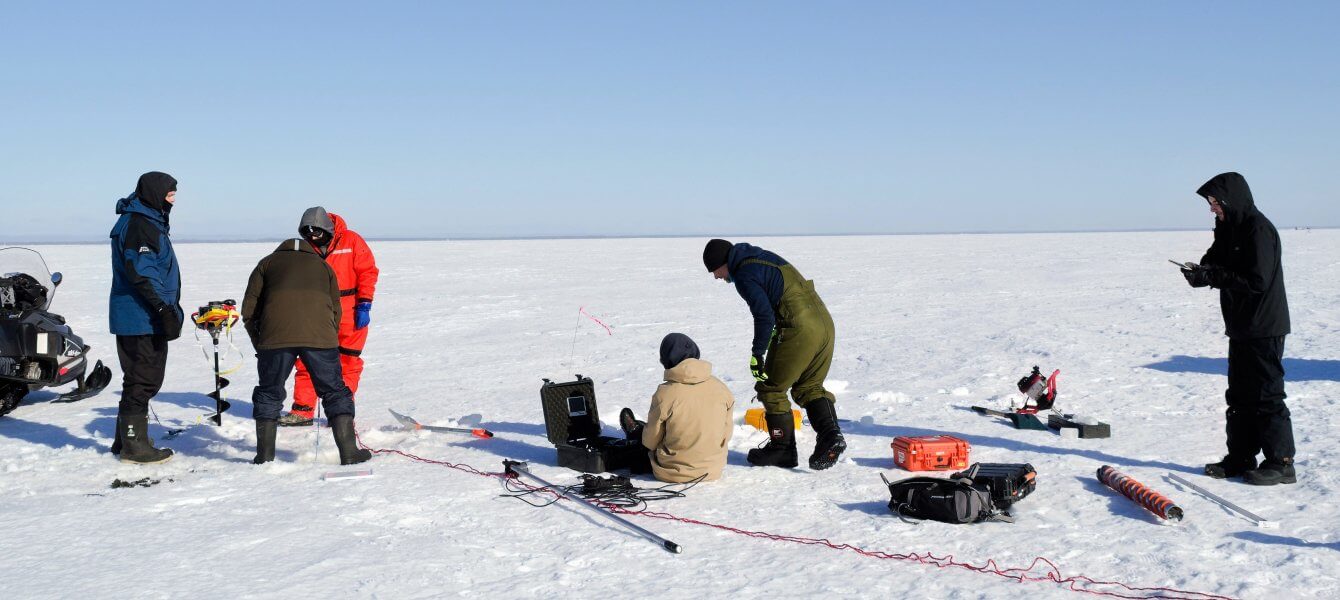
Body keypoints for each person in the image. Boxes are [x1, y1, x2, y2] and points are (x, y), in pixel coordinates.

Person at [1181, 172, 1295, 485]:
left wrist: (1213, 277)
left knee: (1266, 395)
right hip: (1242, 326)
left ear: (1232, 199)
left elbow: (1256, 281)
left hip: (1264, 325)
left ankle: (1281, 462)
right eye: (1210, 203)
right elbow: (1215, 261)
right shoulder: (1229, 229)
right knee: (1240, 396)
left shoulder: (1258, 229)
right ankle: (1241, 457)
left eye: (1215, 202)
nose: (1212, 209)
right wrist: (1200, 273)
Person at [702, 239, 845, 470]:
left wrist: (757, 353)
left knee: (770, 387)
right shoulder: (761, 257)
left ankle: (783, 450)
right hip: (824, 324)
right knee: (810, 386)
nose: (717, 277)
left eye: (715, 271)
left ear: (723, 263)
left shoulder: (745, 274)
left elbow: (764, 316)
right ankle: (831, 437)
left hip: (799, 327)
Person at [242, 238, 372, 465]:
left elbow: (249, 309)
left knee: (268, 392)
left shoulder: (266, 264)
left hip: (275, 337)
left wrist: (260, 343)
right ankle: (349, 453)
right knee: (334, 390)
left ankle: (264, 456)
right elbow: (336, 306)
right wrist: (328, 336)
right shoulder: (323, 266)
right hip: (320, 336)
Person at [279, 207, 379, 427]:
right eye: (307, 234)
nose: (313, 238)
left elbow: (368, 272)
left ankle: (341, 414)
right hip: (316, 312)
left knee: (347, 362)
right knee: (307, 361)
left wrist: (364, 303)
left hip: (350, 311)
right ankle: (303, 411)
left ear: (326, 228)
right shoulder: (304, 249)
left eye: (316, 233)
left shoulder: (352, 241)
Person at [107, 171, 182, 464]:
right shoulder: (140, 224)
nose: (173, 199)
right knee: (145, 379)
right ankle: (134, 447)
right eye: (170, 193)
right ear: (154, 192)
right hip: (140, 315)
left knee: (138, 378)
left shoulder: (146, 219)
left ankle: (124, 440)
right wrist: (163, 310)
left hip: (136, 314)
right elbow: (142, 272)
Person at [618, 333, 735, 483]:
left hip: (672, 472)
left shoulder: (665, 393)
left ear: (666, 360)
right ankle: (638, 430)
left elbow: (650, 442)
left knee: (642, 442)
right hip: (713, 469)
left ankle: (635, 432)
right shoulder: (722, 388)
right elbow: (726, 434)